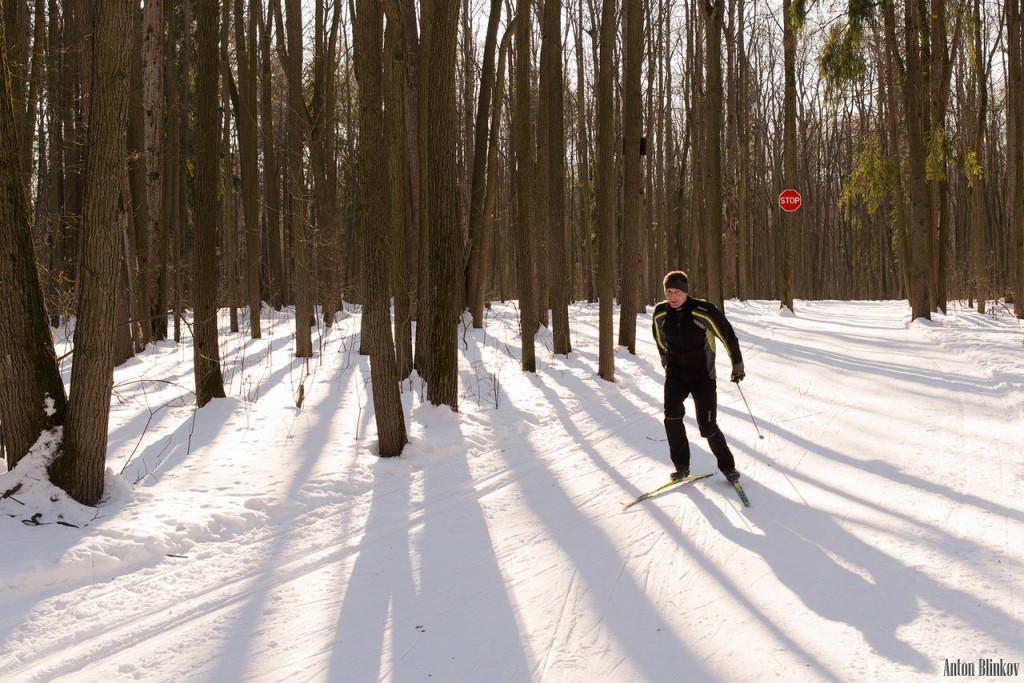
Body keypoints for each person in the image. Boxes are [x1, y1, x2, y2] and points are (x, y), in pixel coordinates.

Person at [652, 270, 745, 483]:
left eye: (677, 291)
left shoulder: (704, 311)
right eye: (668, 291)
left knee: (707, 426)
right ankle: (681, 466)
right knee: (672, 417)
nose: (672, 296)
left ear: (686, 292)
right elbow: (659, 338)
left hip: (703, 377)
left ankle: (728, 467)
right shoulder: (660, 313)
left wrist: (737, 365)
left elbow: (728, 336)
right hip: (676, 375)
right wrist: (664, 358)